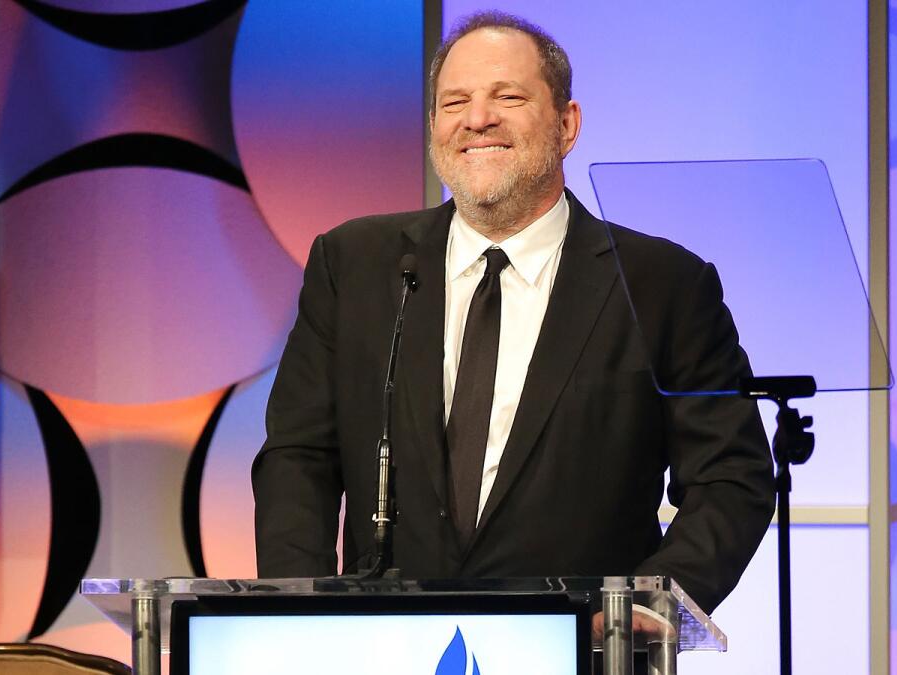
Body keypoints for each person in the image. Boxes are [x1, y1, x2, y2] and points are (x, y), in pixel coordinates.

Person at [251, 10, 775, 617]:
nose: (478, 119)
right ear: (432, 127)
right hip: (387, 641)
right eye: (455, 103)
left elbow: (730, 477)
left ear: (566, 124)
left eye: (509, 96)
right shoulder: (353, 264)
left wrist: (652, 604)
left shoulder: (664, 284)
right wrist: (298, 612)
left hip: (584, 645)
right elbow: (298, 457)